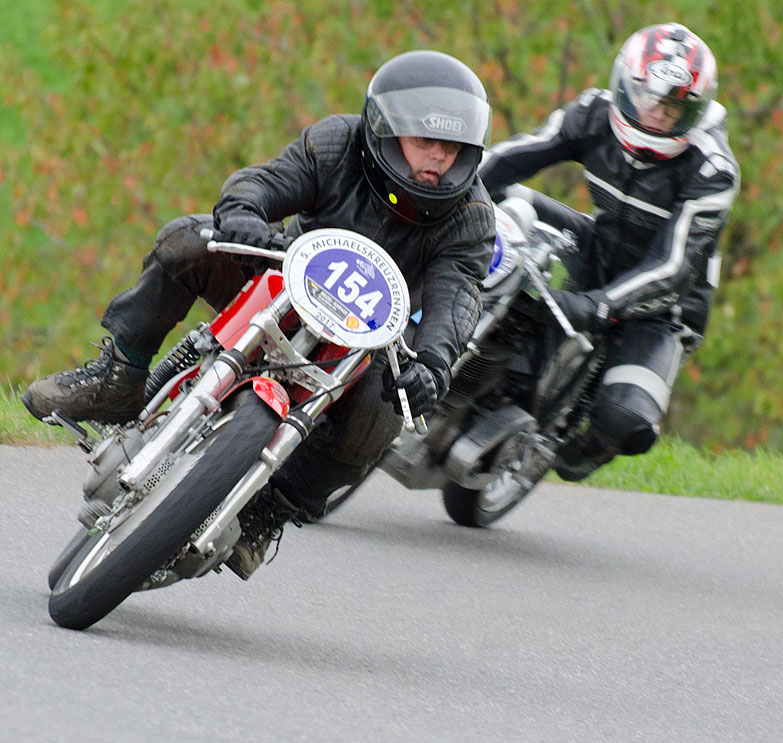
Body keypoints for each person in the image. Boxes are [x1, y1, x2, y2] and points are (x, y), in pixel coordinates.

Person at [23, 50, 497, 577]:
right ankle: (118, 374)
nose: (437, 158)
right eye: (424, 142)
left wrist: (432, 361)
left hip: (366, 338)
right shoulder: (337, 143)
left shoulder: (470, 216)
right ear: (386, 133)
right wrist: (243, 212)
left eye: (451, 148)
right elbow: (265, 181)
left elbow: (459, 293)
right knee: (186, 240)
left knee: (382, 417)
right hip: (282, 275)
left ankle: (272, 509)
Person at [479, 22, 740, 481]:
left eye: (675, 107)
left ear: (696, 110)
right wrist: (454, 184)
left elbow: (675, 267)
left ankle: (589, 445)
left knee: (624, 417)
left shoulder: (713, 168)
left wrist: (600, 303)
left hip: (665, 305)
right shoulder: (592, 112)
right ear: (624, 81)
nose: (657, 114)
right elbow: (514, 155)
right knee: (505, 205)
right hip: (598, 247)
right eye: (647, 95)